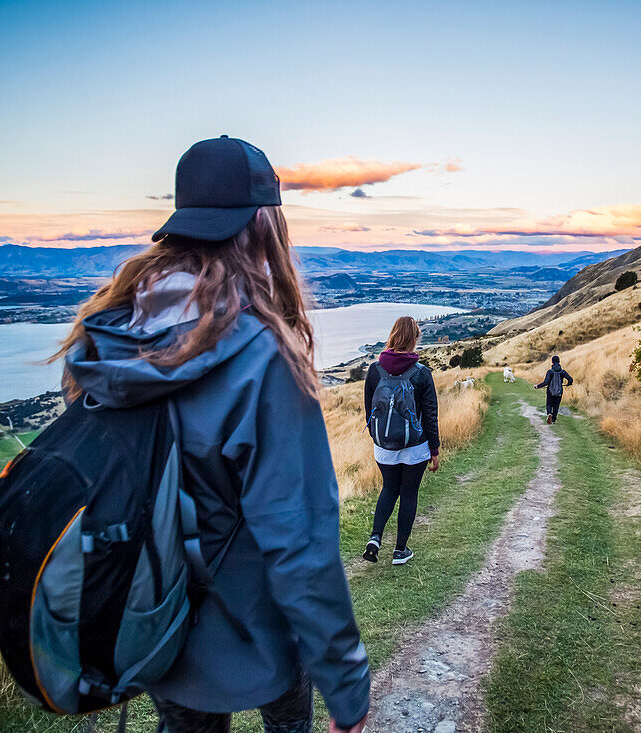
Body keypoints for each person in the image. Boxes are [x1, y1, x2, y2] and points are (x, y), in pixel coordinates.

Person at [53, 137, 369, 733]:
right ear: (262, 223)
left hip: (154, 622)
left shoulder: (110, 335)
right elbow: (300, 542)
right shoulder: (260, 354)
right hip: (262, 632)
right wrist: (347, 687)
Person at [362, 317, 440, 565]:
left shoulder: (375, 370)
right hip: (415, 446)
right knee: (408, 494)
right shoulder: (422, 373)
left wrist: (377, 438)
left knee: (388, 488)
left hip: (384, 445)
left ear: (393, 335)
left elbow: (369, 409)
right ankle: (400, 550)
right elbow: (430, 414)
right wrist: (434, 449)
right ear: (414, 339)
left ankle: (375, 538)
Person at [534, 355, 573, 424]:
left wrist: (537, 386)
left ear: (552, 362)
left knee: (549, 403)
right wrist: (568, 384)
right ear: (559, 362)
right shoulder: (563, 372)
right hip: (559, 391)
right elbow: (570, 379)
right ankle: (554, 420)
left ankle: (549, 413)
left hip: (550, 391)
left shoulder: (550, 372)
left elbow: (546, 382)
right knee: (556, 405)